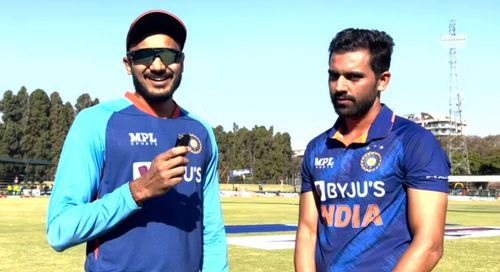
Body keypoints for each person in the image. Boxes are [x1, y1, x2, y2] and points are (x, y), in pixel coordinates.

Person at [46, 10, 228, 272]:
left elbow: (211, 231)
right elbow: (60, 230)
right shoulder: (95, 123)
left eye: (168, 55)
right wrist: (138, 190)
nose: (157, 66)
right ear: (127, 64)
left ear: (182, 62)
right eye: (144, 56)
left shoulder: (200, 131)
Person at [294, 28, 450, 272]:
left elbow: (429, 245)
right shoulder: (317, 148)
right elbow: (307, 231)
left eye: (353, 77)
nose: (340, 86)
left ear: (382, 80)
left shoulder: (414, 143)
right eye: (333, 76)